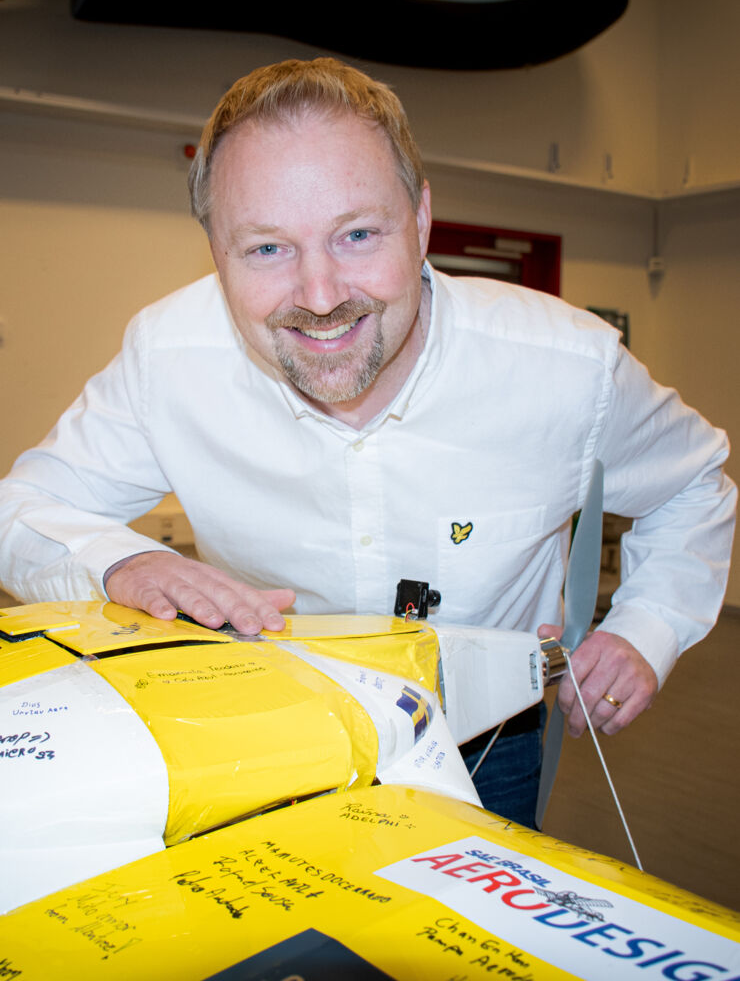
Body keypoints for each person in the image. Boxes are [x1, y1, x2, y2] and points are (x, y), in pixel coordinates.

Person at [0, 58, 735, 827]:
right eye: (266, 249)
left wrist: (646, 628)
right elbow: (23, 506)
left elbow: (696, 484)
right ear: (214, 248)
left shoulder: (568, 369)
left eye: (356, 234)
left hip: (487, 740)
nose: (321, 298)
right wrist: (121, 562)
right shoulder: (167, 359)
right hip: (270, 721)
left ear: (420, 221)